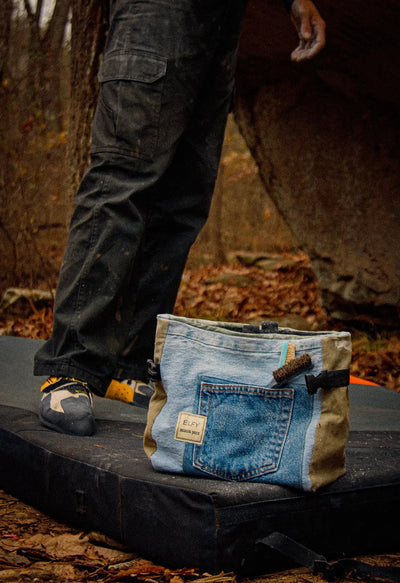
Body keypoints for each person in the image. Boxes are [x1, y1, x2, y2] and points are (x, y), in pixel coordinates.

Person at [34, 0, 326, 436]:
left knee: (183, 201)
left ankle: (130, 365)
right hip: (156, 12)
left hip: (222, 23)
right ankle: (71, 366)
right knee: (122, 178)